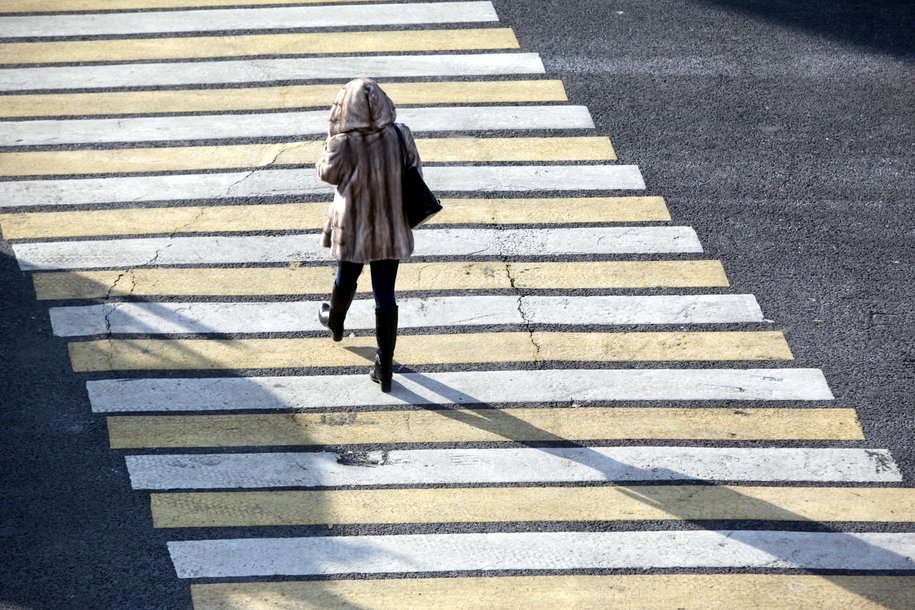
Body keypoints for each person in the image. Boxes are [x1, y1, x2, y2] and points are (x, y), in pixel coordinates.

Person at [315, 78, 419, 392]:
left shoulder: (343, 142)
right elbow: (414, 168)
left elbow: (326, 174)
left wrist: (331, 140)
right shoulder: (400, 134)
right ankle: (384, 365)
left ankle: (335, 323)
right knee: (385, 291)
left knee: (346, 277)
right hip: (390, 224)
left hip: (354, 226)